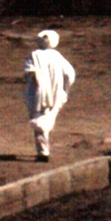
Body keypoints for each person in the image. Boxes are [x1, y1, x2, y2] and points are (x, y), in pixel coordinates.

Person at [22, 29, 76, 161]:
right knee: (47, 119)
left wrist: (36, 81)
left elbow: (29, 72)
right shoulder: (58, 57)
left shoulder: (35, 55)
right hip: (55, 93)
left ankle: (43, 152)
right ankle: (44, 151)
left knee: (39, 121)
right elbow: (70, 74)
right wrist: (64, 89)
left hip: (38, 93)